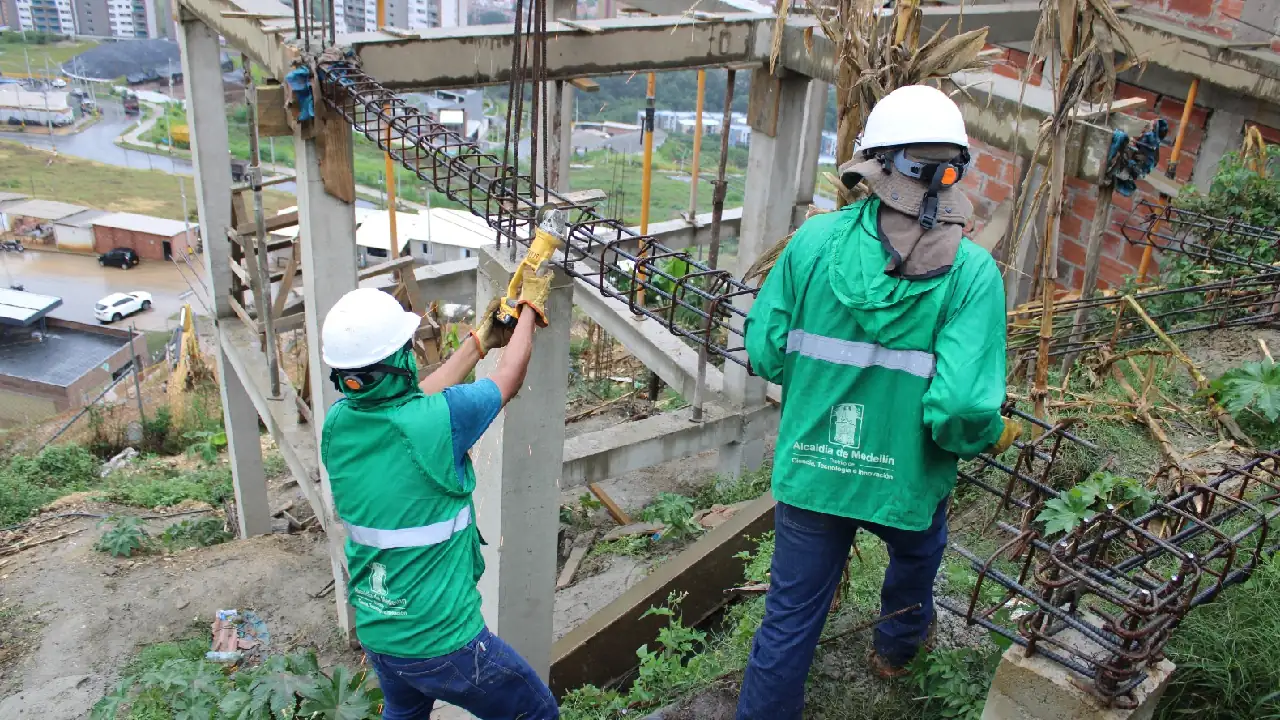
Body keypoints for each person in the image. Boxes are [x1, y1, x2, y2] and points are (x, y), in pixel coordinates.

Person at [735, 84, 1020, 719]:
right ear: (950, 174)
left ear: (875, 164)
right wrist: (989, 432)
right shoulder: (973, 276)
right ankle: (894, 652)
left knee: (787, 620)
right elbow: (960, 413)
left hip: (814, 471)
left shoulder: (812, 245)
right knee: (917, 562)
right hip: (906, 479)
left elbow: (766, 351)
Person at [319, 273, 559, 720]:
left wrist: (479, 341)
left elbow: (408, 405)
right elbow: (511, 376)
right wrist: (530, 307)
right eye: (406, 348)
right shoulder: (441, 422)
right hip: (443, 641)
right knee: (536, 713)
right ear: (398, 360)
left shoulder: (339, 424)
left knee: (405, 714)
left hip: (381, 635)